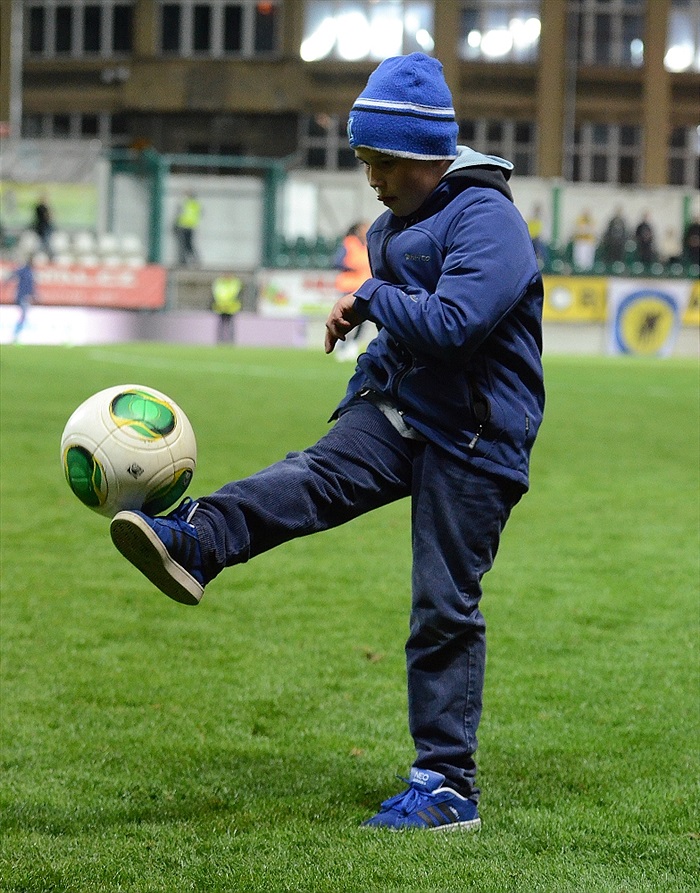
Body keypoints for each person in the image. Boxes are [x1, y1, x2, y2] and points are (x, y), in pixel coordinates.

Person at [110, 53, 545, 832]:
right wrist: (360, 397)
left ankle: (446, 786)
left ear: (423, 155)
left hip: (476, 437)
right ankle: (194, 541)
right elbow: (401, 344)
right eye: (363, 161)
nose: (370, 178)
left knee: (442, 604)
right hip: (406, 411)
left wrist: (372, 298)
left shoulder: (488, 218)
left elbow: (453, 327)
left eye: (380, 161)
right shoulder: (390, 227)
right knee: (307, 474)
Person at [333, 221, 375, 361]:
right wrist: (352, 266)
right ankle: (341, 343)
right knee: (346, 318)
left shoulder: (369, 244)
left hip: (363, 287)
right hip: (348, 286)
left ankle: (353, 344)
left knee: (364, 320)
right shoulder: (349, 243)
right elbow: (337, 261)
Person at [4, 255, 39, 342]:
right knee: (23, 315)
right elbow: (13, 275)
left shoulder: (30, 272)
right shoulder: (24, 271)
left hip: (26, 297)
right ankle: (15, 334)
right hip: (22, 296)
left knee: (23, 315)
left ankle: (16, 334)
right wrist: (6, 282)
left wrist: (34, 295)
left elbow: (31, 286)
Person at [211, 272, 243, 344]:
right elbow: (216, 294)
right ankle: (220, 341)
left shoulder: (234, 283)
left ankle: (231, 341)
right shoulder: (219, 283)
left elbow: (235, 294)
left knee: (230, 325)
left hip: (231, 308)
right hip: (220, 307)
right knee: (221, 326)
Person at [176, 192, 202, 266]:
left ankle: (190, 260)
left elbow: (180, 213)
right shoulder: (194, 204)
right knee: (186, 244)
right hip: (187, 226)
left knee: (187, 244)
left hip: (187, 226)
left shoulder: (188, 203)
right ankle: (186, 260)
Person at [34, 195, 53, 259]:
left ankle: (46, 256)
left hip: (46, 227)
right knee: (43, 243)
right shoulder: (40, 208)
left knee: (46, 242)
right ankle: (42, 256)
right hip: (42, 228)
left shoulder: (45, 207)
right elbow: (47, 216)